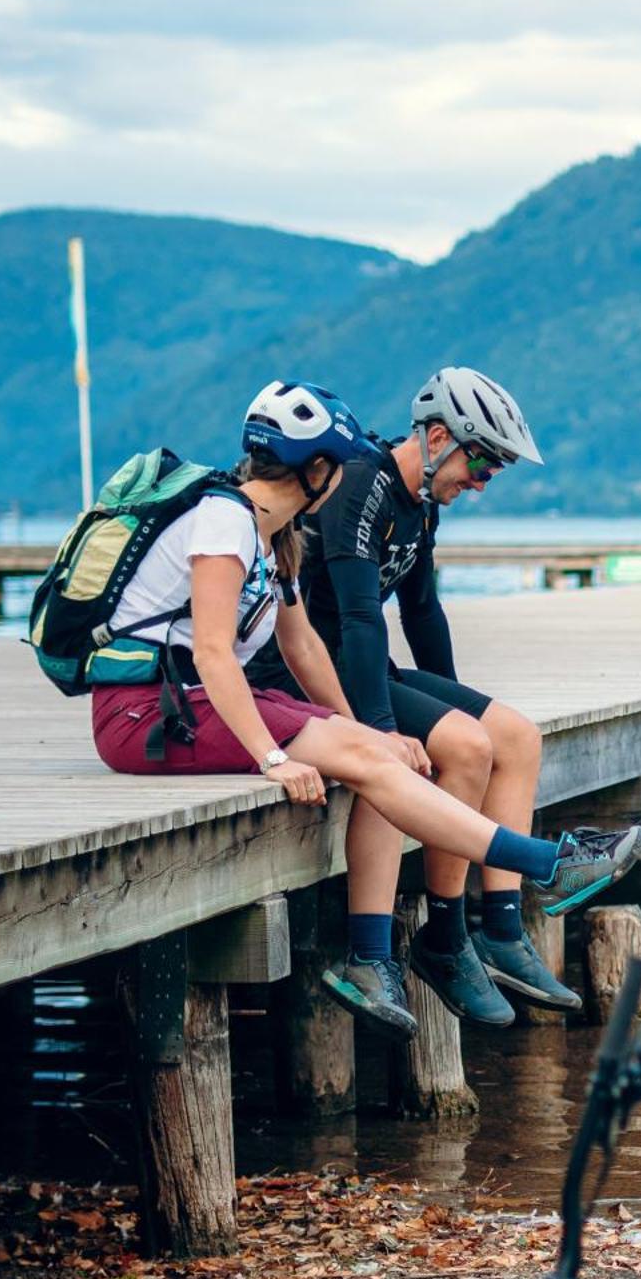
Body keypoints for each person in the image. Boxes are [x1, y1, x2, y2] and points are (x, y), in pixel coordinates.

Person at [91, 379, 641, 1038]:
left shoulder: (276, 535)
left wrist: (362, 728)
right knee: (378, 760)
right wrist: (276, 756)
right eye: (484, 465)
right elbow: (215, 653)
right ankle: (543, 867)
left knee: (393, 751)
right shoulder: (225, 521)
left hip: (204, 701)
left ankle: (507, 895)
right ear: (319, 469)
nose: (349, 476)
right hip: (149, 714)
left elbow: (301, 644)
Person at [250, 366, 577, 1030]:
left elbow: (423, 612)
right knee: (461, 747)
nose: (481, 484)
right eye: (480, 464)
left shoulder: (418, 501)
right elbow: (361, 618)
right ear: (435, 437)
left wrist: (457, 700)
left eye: (493, 473)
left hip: (365, 665)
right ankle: (442, 938)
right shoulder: (362, 489)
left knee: (513, 736)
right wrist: (377, 732)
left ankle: (501, 932)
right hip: (308, 678)